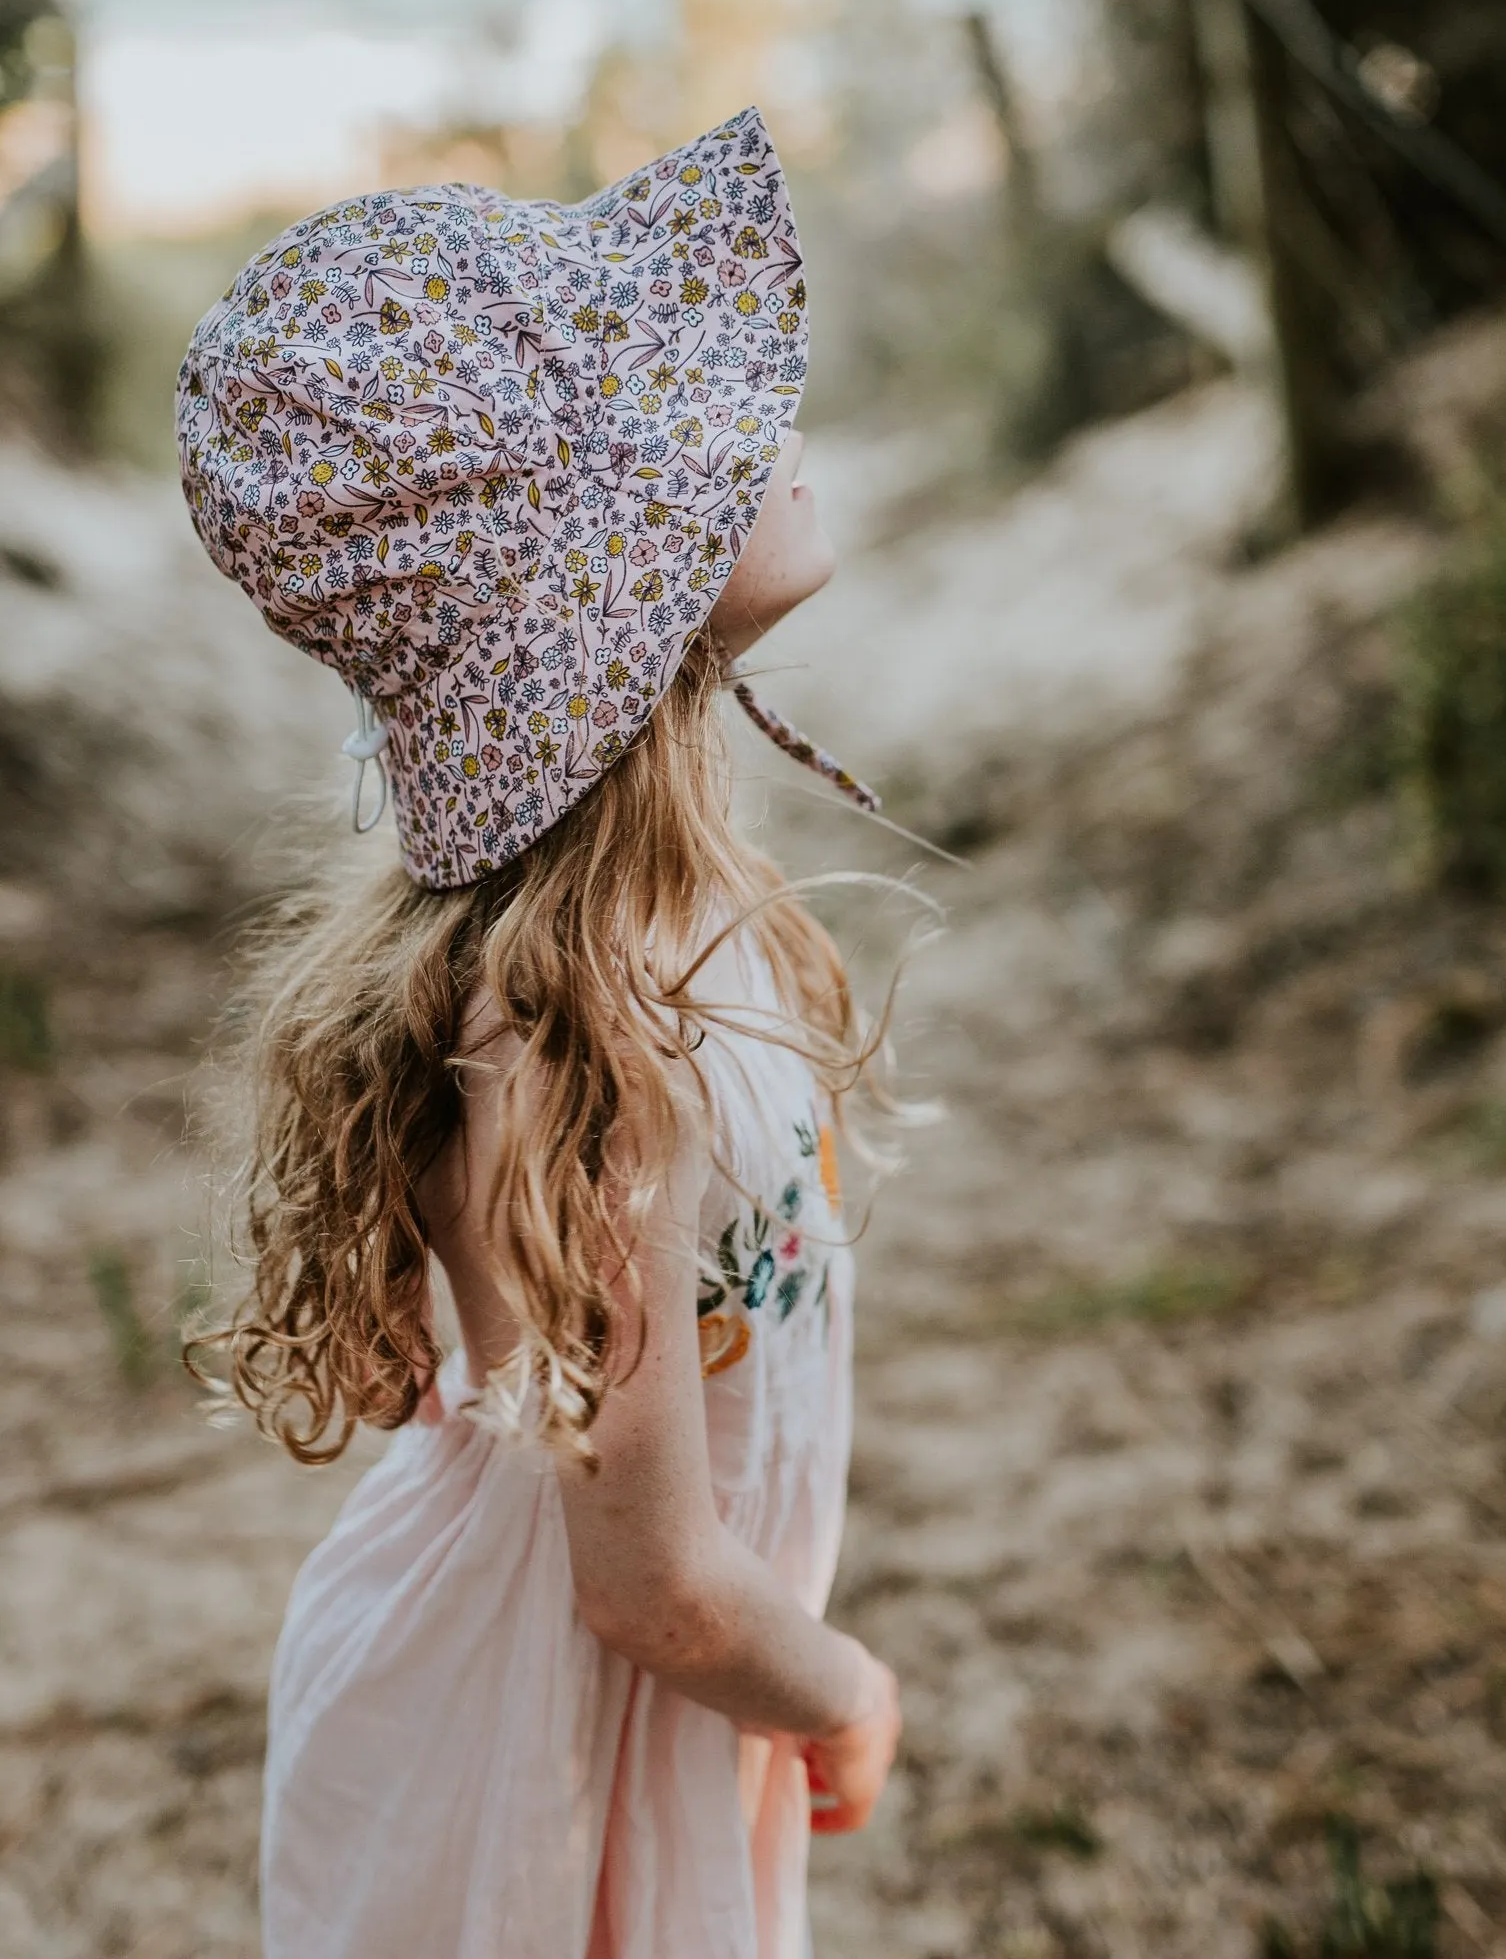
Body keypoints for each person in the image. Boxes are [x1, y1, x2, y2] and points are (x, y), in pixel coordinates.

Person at [175, 106, 901, 1959]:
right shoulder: (572, 1034)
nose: (776, 416)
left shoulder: (673, 913)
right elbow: (647, 1583)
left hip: (656, 1702)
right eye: (699, 427)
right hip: (536, 1739)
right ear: (594, 593)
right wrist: (835, 1688)